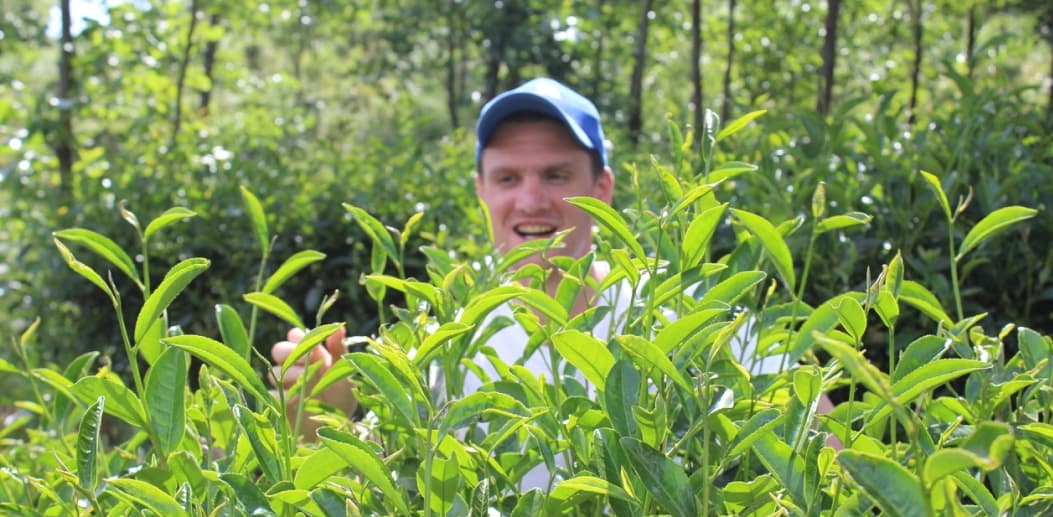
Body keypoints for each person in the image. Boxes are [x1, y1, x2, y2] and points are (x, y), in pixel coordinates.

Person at [270, 77, 836, 462]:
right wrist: (325, 413)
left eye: (557, 175)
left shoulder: (681, 313)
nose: (532, 200)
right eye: (509, 179)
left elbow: (828, 446)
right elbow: (375, 494)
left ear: (603, 188)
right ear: (481, 191)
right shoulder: (439, 333)